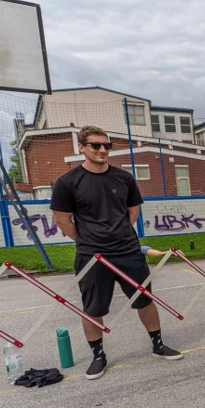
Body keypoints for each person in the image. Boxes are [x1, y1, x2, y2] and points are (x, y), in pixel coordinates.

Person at [50, 126, 183, 381]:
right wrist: (88, 239)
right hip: (92, 255)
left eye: (106, 145)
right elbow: (63, 220)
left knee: (144, 299)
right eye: (95, 145)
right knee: (93, 307)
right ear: (82, 148)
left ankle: (158, 344)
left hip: (128, 250)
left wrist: (118, 233)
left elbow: (133, 211)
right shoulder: (68, 182)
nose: (102, 150)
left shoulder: (123, 178)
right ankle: (98, 356)